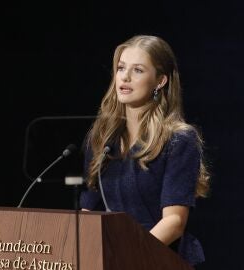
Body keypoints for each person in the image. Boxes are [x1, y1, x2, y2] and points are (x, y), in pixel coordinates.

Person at [79, 34, 210, 267]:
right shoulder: (101, 138)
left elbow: (174, 222)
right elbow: (89, 210)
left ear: (160, 81)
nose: (125, 77)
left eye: (138, 70)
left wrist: (129, 256)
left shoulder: (178, 140)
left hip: (160, 259)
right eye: (121, 68)